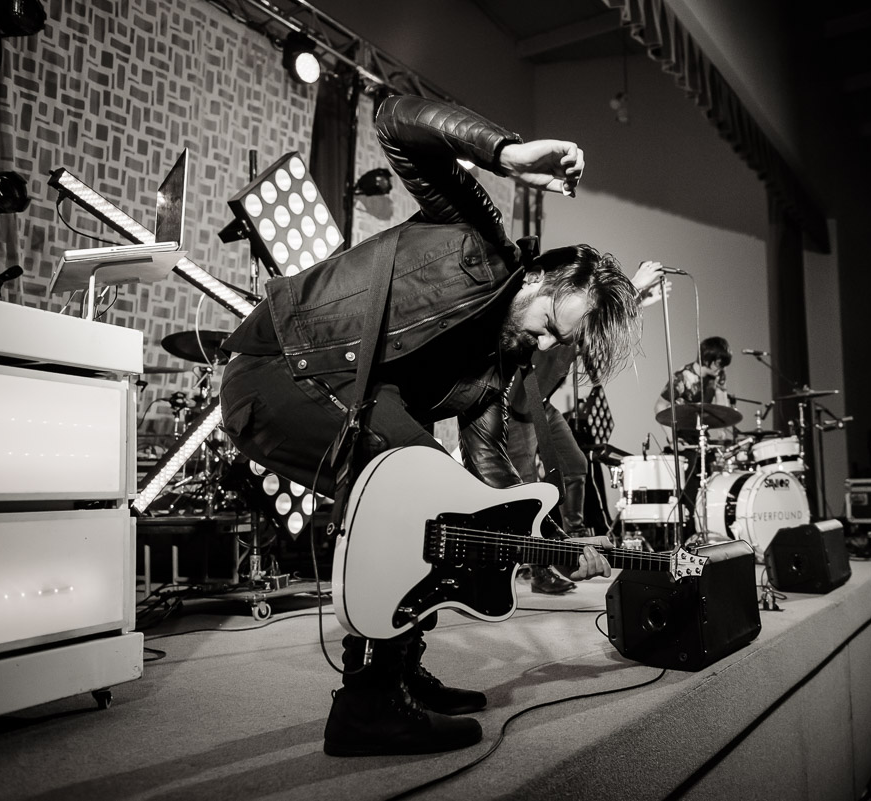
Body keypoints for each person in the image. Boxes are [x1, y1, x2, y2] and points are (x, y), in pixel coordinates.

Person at [218, 95, 643, 757]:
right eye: (551, 326)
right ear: (540, 276)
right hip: (282, 366)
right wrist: (506, 153)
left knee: (448, 514)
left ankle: (393, 672)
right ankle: (369, 702)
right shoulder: (477, 238)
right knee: (420, 486)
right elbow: (395, 122)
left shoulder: (495, 370)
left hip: (343, 399)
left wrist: (558, 545)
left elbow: (491, 483)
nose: (542, 345)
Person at [506, 261, 667, 593]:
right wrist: (634, 287)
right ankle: (539, 570)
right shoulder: (558, 321)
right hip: (517, 412)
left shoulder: (579, 332)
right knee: (528, 491)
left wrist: (636, 303)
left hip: (542, 406)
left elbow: (597, 327)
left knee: (576, 464)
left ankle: (577, 541)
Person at [652, 336, 737, 523]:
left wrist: (723, 427)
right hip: (682, 435)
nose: (720, 368)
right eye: (718, 363)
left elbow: (721, 407)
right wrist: (672, 439)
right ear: (708, 358)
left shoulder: (718, 376)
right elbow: (660, 407)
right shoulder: (682, 377)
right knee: (689, 485)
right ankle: (691, 526)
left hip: (701, 435)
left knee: (717, 478)